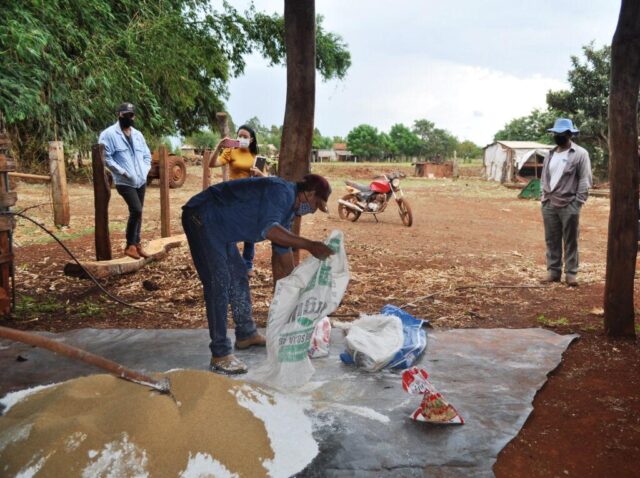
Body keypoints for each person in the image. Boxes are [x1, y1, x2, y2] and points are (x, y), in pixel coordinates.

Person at [182, 174, 334, 374]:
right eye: (316, 204)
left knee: (238, 276)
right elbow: (269, 230)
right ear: (309, 194)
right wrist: (309, 245)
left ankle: (245, 333)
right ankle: (220, 353)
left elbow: (283, 251)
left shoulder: (288, 212)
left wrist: (298, 286)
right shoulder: (281, 192)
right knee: (219, 283)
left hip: (221, 229)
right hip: (202, 217)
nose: (314, 211)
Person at [540, 118, 592, 286]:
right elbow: (544, 178)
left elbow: (585, 180)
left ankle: (571, 273)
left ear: (570, 134)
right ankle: (553, 272)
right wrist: (543, 197)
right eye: (555, 133)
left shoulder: (580, 154)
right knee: (551, 239)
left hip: (569, 203)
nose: (557, 136)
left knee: (571, 240)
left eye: (561, 134)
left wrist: (577, 202)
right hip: (549, 203)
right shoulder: (550, 154)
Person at [209, 125, 267, 276]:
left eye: (245, 136)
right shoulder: (230, 151)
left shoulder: (255, 156)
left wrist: (260, 173)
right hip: (233, 197)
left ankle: (248, 265)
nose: (241, 139)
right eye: (239, 136)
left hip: (251, 199)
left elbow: (266, 180)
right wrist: (218, 147)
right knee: (230, 231)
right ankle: (231, 262)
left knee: (250, 233)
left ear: (251, 139)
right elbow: (212, 164)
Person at [98, 102, 152, 260]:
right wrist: (122, 172)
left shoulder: (138, 135)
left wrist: (146, 169)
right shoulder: (109, 134)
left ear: (134, 116)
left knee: (139, 212)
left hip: (140, 180)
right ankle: (130, 245)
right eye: (125, 115)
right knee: (136, 210)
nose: (128, 118)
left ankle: (137, 244)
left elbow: (147, 154)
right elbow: (106, 158)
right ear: (119, 115)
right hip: (124, 181)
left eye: (131, 115)